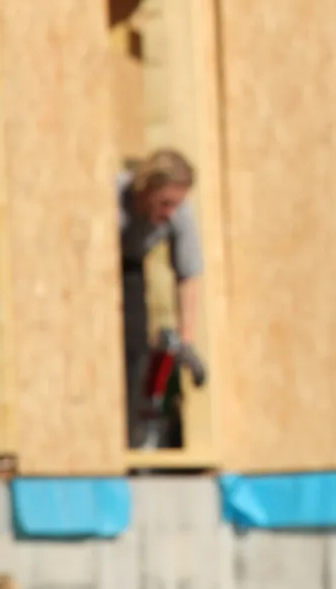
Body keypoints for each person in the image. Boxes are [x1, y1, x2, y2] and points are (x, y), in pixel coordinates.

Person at [117, 148, 205, 447]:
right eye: (164, 202)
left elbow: (188, 273)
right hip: (98, 266)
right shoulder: (115, 196)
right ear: (145, 188)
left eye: (175, 204)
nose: (170, 213)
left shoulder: (179, 212)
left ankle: (129, 442)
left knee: (136, 352)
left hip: (131, 267)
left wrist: (187, 340)